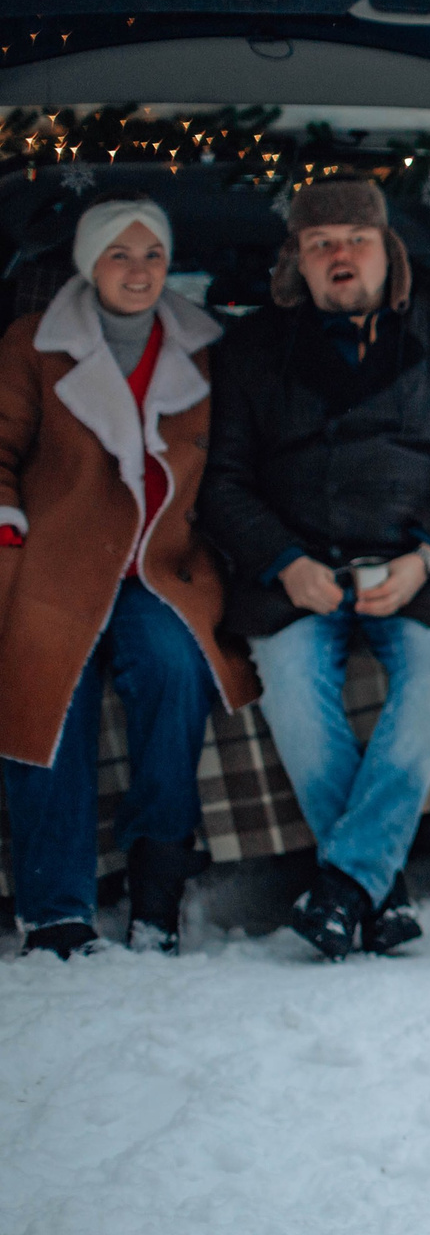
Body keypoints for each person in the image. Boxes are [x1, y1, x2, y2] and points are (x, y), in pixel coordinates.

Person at [198, 180, 430, 960]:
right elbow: (224, 483)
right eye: (320, 245)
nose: (340, 255)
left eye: (355, 239)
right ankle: (380, 890)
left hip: (419, 570)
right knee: (297, 702)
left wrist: (426, 557)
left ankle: (344, 886)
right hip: (298, 575)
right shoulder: (249, 352)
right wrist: (285, 562)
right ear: (297, 266)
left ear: (389, 250)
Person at [0, 199, 259, 957]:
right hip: (59, 559)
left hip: (161, 566)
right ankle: (56, 911)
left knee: (177, 671)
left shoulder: (208, 347)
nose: (139, 270)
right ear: (90, 263)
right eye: (120, 254)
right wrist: (8, 529)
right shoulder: (33, 342)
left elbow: (238, 462)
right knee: (47, 684)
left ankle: (157, 896)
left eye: (152, 255)